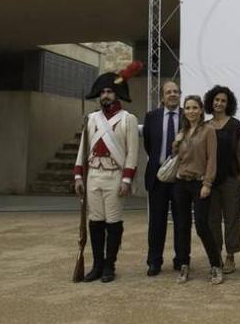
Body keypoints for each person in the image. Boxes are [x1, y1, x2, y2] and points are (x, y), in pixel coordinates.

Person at [73, 61, 142, 283]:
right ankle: (97, 264)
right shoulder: (92, 119)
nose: (106, 95)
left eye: (110, 91)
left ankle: (109, 266)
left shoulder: (128, 119)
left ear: (117, 94)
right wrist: (77, 176)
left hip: (115, 176)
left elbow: (132, 152)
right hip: (93, 175)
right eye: (103, 91)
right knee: (95, 222)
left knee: (113, 222)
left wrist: (126, 180)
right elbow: (83, 149)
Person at [171, 95, 221, 284]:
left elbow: (212, 159)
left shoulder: (208, 131)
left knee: (202, 225)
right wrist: (175, 143)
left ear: (201, 110)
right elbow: (176, 157)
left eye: (194, 107)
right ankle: (184, 265)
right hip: (180, 183)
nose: (191, 111)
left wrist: (207, 184)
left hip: (199, 183)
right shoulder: (182, 131)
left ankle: (215, 265)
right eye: (188, 108)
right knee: (182, 225)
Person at [203, 85, 240, 274]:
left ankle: (231, 255)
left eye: (223, 101)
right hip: (210, 180)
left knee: (231, 219)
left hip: (231, 178)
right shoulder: (204, 126)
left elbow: (239, 151)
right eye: (216, 100)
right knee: (212, 220)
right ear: (211, 102)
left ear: (228, 104)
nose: (219, 103)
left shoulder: (235, 124)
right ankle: (216, 255)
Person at [142, 80, 182, 277]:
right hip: (157, 177)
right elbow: (148, 145)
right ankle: (154, 261)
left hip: (181, 179)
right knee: (156, 222)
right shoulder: (151, 117)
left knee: (181, 221)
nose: (172, 94)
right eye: (168, 92)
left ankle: (181, 260)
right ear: (162, 97)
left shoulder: (188, 116)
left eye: (175, 91)